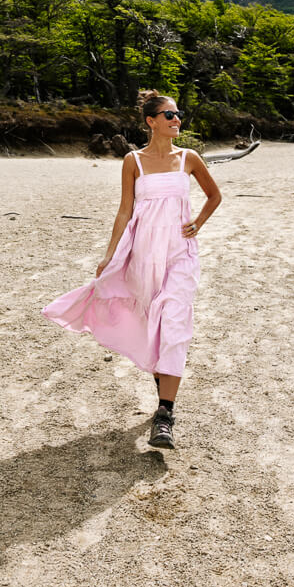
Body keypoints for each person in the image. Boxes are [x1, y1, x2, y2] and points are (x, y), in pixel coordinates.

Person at [42, 91, 222, 449]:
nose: (176, 120)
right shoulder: (133, 161)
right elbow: (125, 210)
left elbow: (214, 196)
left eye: (178, 114)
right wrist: (110, 255)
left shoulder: (189, 158)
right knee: (150, 324)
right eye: (168, 115)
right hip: (142, 253)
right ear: (150, 121)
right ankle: (163, 394)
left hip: (179, 254)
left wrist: (197, 223)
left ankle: (165, 415)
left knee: (174, 320)